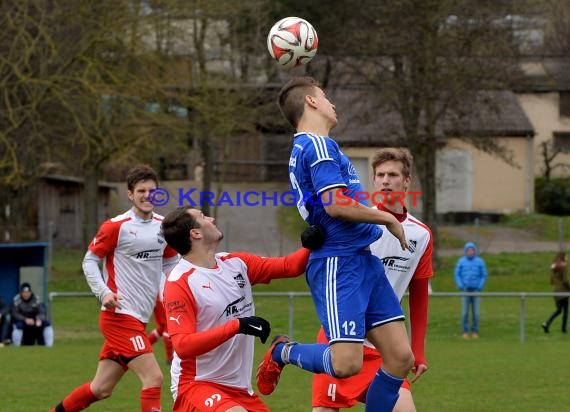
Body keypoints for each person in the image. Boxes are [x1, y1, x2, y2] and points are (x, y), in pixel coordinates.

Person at [256, 76, 414, 412]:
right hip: (338, 263)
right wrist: (385, 218)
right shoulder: (317, 145)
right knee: (346, 364)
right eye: (325, 96)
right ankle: (282, 351)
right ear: (311, 102)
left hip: (363, 261)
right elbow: (335, 204)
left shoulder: (317, 145)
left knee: (401, 358)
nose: (333, 103)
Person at [311, 148, 433, 412]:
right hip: (342, 337)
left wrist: (417, 350)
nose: (386, 180)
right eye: (380, 175)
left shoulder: (421, 234)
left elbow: (420, 296)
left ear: (407, 181)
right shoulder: (357, 224)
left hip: (386, 347)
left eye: (392, 174)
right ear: (374, 181)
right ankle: (284, 352)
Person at [50, 165, 179, 412]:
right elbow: (89, 260)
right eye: (141, 190)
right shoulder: (115, 226)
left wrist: (180, 290)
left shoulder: (165, 226)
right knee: (154, 378)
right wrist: (103, 292)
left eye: (152, 190)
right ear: (130, 194)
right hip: (119, 317)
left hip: (138, 320)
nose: (147, 195)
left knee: (101, 389)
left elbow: (171, 263)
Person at [160, 206, 312, 411]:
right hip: (195, 384)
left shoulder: (235, 263)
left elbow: (289, 266)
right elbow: (183, 346)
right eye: (204, 217)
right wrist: (238, 325)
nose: (212, 218)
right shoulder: (179, 282)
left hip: (239, 389)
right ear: (195, 233)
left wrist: (312, 242)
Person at [454, 242, 488, 339]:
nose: (470, 251)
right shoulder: (461, 261)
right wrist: (460, 285)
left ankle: (474, 331)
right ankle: (465, 331)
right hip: (465, 290)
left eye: (471, 250)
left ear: (474, 251)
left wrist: (480, 286)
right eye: (468, 250)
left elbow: (483, 275)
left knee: (476, 313)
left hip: (476, 291)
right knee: (465, 312)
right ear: (465, 251)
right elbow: (457, 274)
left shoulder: (480, 262)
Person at [11, 282, 54, 347]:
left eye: (27, 292)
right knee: (18, 326)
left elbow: (42, 311)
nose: (26, 294)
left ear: (30, 292)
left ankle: (49, 346)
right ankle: (16, 346)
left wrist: (39, 319)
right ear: (21, 293)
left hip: (35, 319)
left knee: (47, 324)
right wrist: (25, 319)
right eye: (24, 293)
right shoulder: (16, 300)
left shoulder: (36, 299)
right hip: (22, 320)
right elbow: (15, 313)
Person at [146, 276, 174, 365]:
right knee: (167, 327)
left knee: (162, 327)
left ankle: (142, 347)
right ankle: (170, 359)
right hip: (162, 297)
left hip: (157, 295)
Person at [541, 251, 569, 334]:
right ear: (563, 257)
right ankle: (564, 329)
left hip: (556, 292)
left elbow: (551, 281)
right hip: (563, 291)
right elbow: (565, 280)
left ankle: (547, 323)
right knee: (566, 311)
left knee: (559, 310)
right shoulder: (564, 267)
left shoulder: (553, 268)